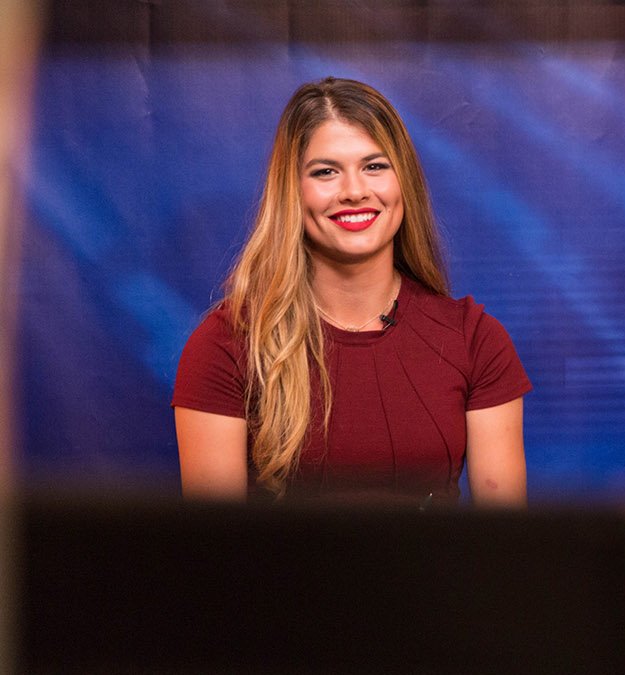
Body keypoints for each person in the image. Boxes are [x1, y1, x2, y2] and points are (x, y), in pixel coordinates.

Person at [173, 77, 531, 506]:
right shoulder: (227, 344)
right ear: (292, 191)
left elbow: (504, 550)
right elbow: (213, 556)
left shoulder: (475, 339)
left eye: (375, 166)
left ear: (404, 183)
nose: (354, 192)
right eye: (325, 172)